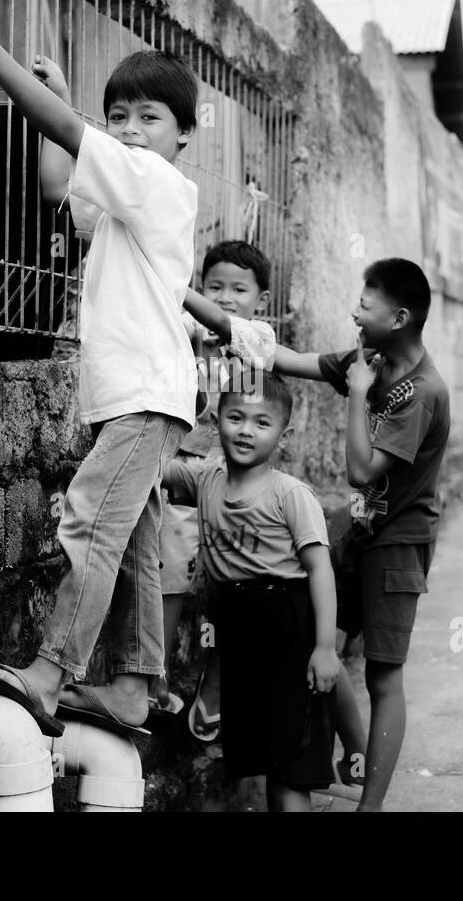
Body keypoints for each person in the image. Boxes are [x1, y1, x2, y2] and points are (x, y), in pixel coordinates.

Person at [0, 6, 201, 736]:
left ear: (183, 134)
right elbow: (61, 184)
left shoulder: (156, 185)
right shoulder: (127, 202)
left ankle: (49, 675)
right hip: (139, 397)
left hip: (143, 398)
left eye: (148, 117)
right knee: (136, 550)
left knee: (88, 527)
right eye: (119, 116)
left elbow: (68, 135)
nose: (129, 129)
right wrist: (65, 93)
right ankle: (133, 687)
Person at [273, 258, 450, 811]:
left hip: (399, 546)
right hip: (364, 532)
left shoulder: (420, 392)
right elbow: (290, 358)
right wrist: (215, 319)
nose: (354, 310)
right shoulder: (370, 359)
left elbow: (360, 470)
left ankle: (369, 808)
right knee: (309, 631)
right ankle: (349, 754)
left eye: (366, 305)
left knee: (383, 677)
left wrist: (355, 393)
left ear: (398, 318)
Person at [162, 374, 341, 811]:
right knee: (257, 753)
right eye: (235, 417)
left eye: (262, 423)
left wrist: (324, 648)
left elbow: (321, 570)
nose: (245, 430)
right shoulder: (206, 481)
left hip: (289, 624)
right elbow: (151, 464)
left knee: (290, 765)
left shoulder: (290, 495)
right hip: (237, 629)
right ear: (217, 421)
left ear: (284, 435)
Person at [155, 240, 278, 737]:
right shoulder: (185, 330)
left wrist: (201, 318)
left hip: (237, 483)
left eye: (239, 289)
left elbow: (240, 354)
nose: (225, 298)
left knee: (238, 584)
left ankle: (214, 690)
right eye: (215, 287)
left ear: (260, 301)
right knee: (170, 576)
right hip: (185, 477)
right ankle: (155, 681)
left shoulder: (258, 337)